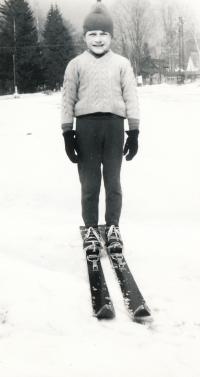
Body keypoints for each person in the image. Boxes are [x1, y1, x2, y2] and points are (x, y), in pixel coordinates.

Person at [61, 0, 140, 252]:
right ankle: (92, 229)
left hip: (114, 128)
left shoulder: (122, 64)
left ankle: (113, 227)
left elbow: (131, 98)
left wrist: (134, 131)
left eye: (103, 34)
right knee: (90, 183)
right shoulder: (75, 65)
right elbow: (67, 99)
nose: (98, 39)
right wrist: (68, 133)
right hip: (86, 129)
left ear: (111, 36)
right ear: (84, 36)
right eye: (92, 34)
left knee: (113, 182)